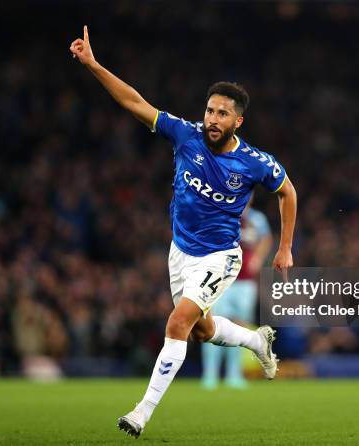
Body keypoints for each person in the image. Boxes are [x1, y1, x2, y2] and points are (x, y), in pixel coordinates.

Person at [70, 26, 297, 438]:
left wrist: (284, 248)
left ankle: (141, 413)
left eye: (222, 114)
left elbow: (288, 192)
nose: (212, 119)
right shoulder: (185, 134)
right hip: (180, 253)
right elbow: (133, 102)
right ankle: (255, 342)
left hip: (220, 256)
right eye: (210, 111)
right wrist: (93, 66)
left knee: (177, 323)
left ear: (237, 121)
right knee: (201, 330)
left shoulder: (254, 162)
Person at [201, 200, 273, 389]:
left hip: (245, 283)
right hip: (221, 280)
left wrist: (258, 257)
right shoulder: (221, 214)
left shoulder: (256, 218)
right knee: (212, 325)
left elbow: (266, 239)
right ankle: (210, 374)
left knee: (240, 327)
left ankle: (234, 374)